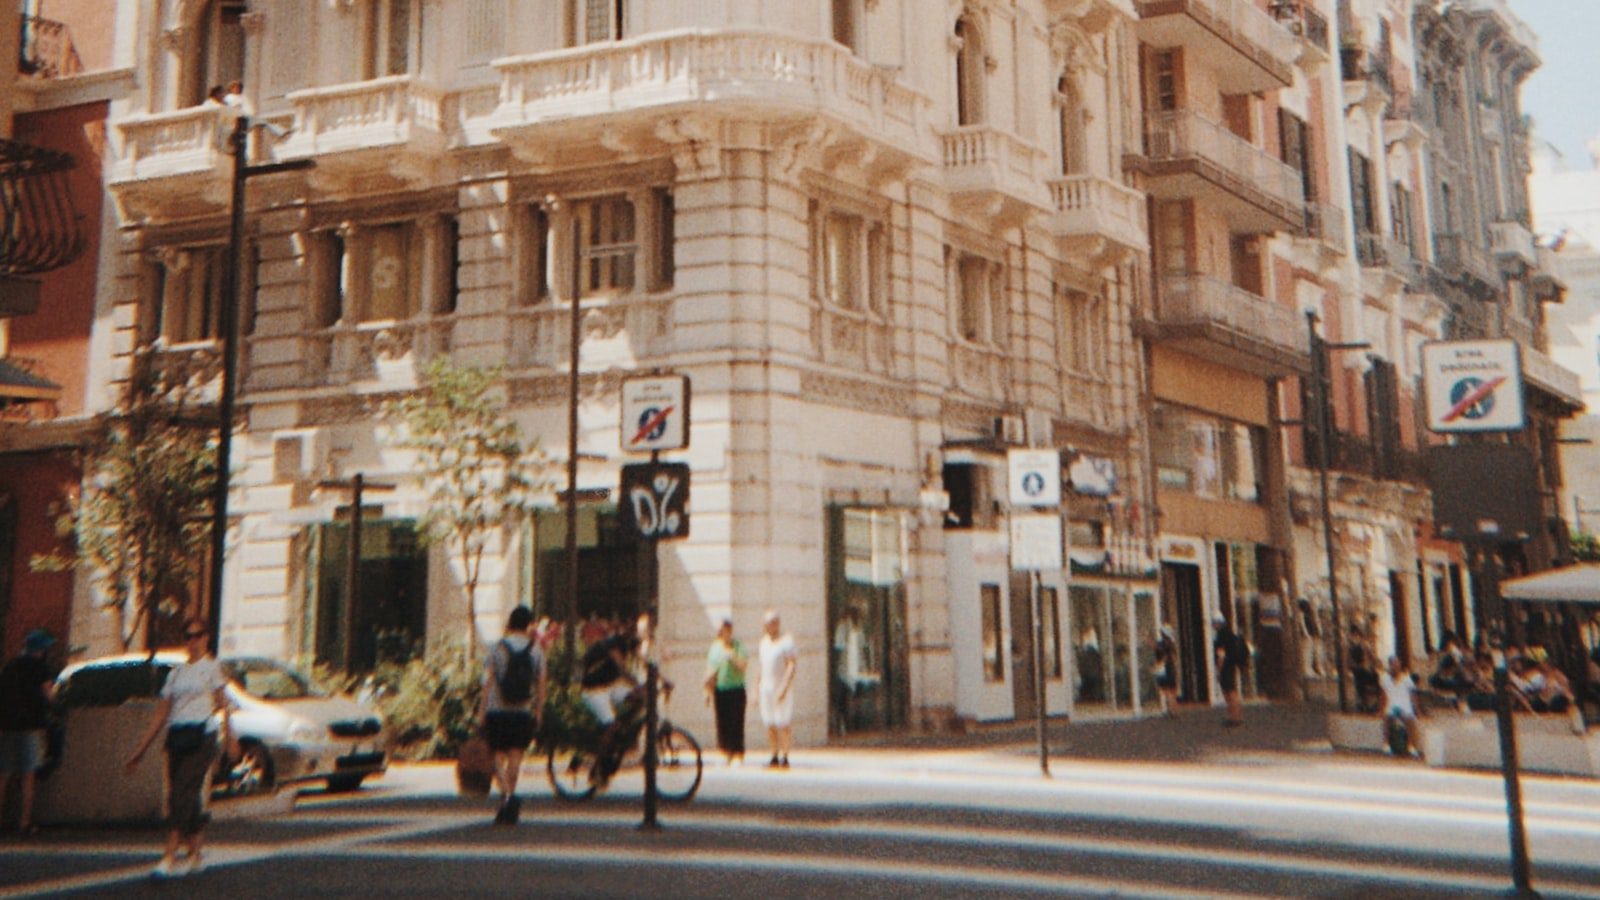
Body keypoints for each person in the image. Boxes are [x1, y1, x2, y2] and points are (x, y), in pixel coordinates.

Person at [125, 619, 230, 878]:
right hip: (178, 735)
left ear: (206, 638)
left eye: (198, 635)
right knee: (183, 793)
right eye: (188, 636)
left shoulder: (213, 667)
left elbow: (223, 703)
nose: (193, 641)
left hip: (203, 735)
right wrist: (140, 750)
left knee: (183, 791)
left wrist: (231, 737)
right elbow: (162, 713)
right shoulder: (176, 672)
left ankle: (169, 855)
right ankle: (195, 852)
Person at [478, 607, 546, 825]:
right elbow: (541, 683)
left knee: (496, 757)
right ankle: (507, 803)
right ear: (529, 624)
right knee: (516, 758)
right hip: (522, 711)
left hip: (497, 710)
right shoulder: (536, 650)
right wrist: (538, 710)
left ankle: (507, 797)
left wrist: (481, 710)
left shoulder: (497, 647)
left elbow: (487, 681)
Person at [0, 629, 58, 836]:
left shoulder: (11, 666)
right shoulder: (41, 669)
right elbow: (49, 696)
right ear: (41, 649)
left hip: (6, 724)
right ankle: (24, 823)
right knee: (28, 775)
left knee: (3, 774)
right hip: (31, 726)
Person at [578, 627, 642, 784]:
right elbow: (622, 669)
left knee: (639, 697)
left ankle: (622, 732)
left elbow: (644, 661)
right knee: (611, 726)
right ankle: (598, 766)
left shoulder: (625, 646)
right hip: (594, 690)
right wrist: (638, 683)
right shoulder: (612, 645)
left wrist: (662, 680)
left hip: (610, 686)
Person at [755, 610, 797, 768]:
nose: (767, 626)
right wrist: (755, 689)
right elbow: (761, 666)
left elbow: (792, 665)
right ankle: (773, 754)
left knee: (783, 723)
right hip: (765, 688)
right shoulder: (763, 643)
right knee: (769, 723)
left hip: (780, 687)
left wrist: (784, 687)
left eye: (770, 623)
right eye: (765, 623)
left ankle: (785, 756)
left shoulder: (786, 642)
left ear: (777, 624)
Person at [703, 618, 748, 766]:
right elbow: (710, 669)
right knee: (722, 723)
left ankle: (738, 754)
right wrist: (706, 691)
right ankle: (725, 752)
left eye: (726, 629)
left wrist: (732, 656)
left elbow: (743, 666)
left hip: (736, 689)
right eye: (721, 630)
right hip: (720, 689)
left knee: (736, 722)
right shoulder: (715, 647)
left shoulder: (738, 646)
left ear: (730, 631)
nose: (723, 632)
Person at [1379, 656, 1420, 757]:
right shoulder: (1385, 679)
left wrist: (1417, 709)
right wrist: (1380, 710)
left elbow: (1413, 695)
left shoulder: (1407, 679)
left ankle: (1411, 746)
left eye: (1397, 664)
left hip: (1405, 707)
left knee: (1409, 720)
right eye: (1393, 664)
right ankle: (1386, 745)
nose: (1396, 666)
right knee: (1386, 718)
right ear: (1390, 665)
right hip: (1392, 706)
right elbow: (1383, 695)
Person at [1213, 614, 1246, 727]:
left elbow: (1221, 655)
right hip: (1232, 665)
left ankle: (1234, 716)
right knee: (1231, 691)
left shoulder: (1221, 636)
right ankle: (1235, 715)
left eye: (1214, 623)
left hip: (1226, 667)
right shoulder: (1230, 634)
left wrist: (1218, 669)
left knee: (1229, 692)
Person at [1153, 624, 1178, 717]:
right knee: (1172, 690)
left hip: (1163, 667)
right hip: (1171, 667)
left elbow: (1159, 653)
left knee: (1166, 690)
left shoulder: (1161, 644)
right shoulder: (1171, 643)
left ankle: (1170, 710)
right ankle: (1173, 709)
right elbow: (1174, 656)